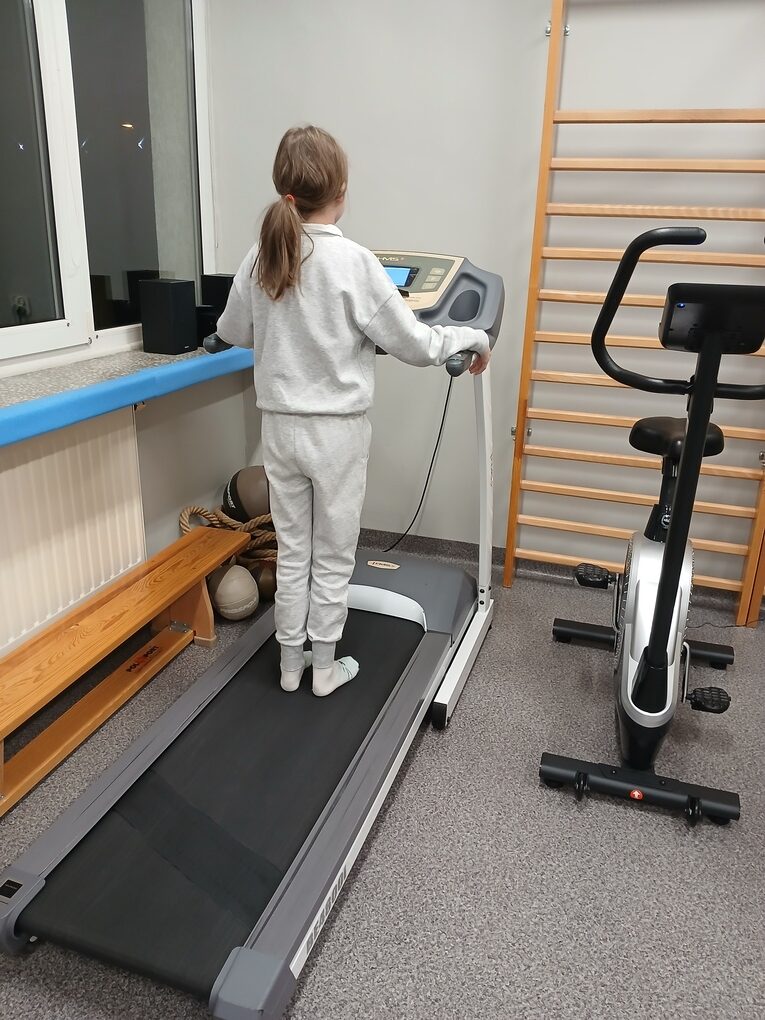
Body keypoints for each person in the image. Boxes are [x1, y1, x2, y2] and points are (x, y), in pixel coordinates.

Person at [216, 125, 491, 698]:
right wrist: (471, 337)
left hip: (280, 430)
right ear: (341, 190)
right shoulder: (354, 262)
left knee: (294, 551)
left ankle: (288, 666)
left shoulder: (262, 255)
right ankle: (323, 668)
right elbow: (416, 344)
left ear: (285, 190)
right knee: (334, 555)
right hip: (335, 435)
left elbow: (233, 329)